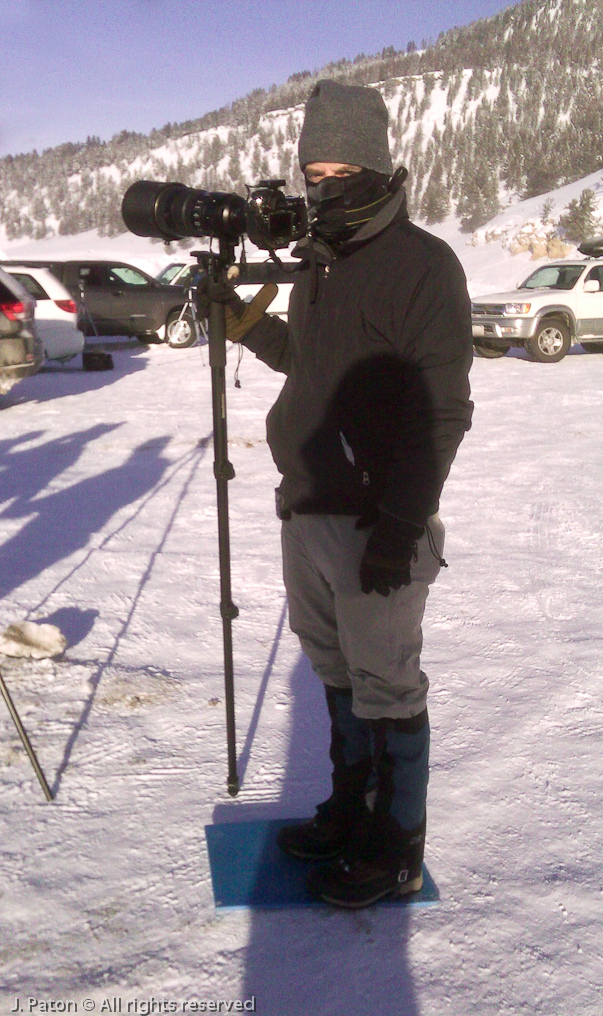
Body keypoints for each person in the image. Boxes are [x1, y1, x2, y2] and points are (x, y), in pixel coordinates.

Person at [209, 78, 473, 908]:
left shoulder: (424, 265)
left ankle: (394, 847)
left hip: (375, 523)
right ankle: (348, 811)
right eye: (309, 172)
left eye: (339, 170)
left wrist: (399, 525)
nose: (321, 187)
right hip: (307, 507)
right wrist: (252, 328)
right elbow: (316, 367)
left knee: (387, 684)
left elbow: (442, 409)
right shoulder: (318, 264)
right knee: (335, 673)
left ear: (377, 167)